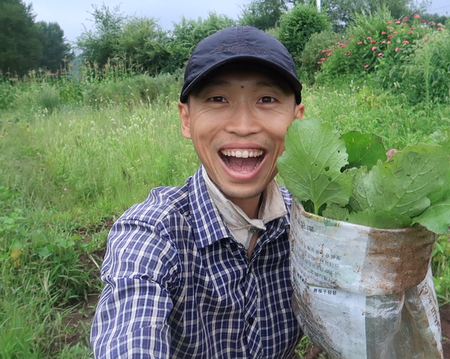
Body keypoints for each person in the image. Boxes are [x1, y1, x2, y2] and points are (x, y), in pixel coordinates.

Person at [90, 26, 306, 358]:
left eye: (267, 99)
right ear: (186, 119)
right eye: (217, 99)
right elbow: (130, 332)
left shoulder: (312, 222)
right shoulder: (152, 232)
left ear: (297, 119)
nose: (244, 125)